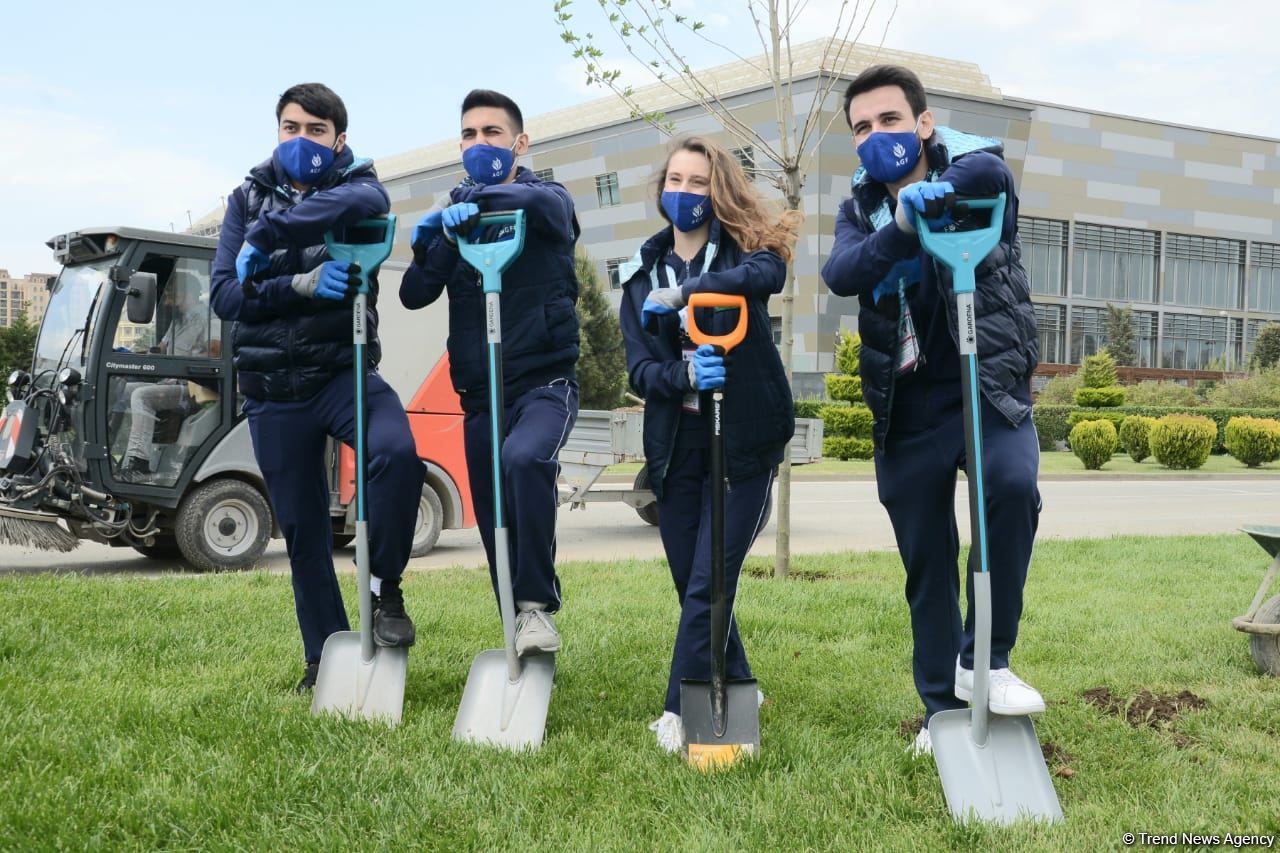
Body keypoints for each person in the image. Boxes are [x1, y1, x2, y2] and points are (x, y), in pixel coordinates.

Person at [820, 65, 1044, 757]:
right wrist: (900, 225)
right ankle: (941, 710)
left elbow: (993, 182)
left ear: (923, 123)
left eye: (889, 120)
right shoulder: (858, 211)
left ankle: (988, 662)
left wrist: (929, 195)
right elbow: (842, 273)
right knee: (927, 560)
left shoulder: (974, 167)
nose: (876, 136)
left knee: (1011, 490)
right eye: (862, 127)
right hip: (907, 407)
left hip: (986, 384)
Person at [210, 82, 421, 693]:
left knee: (397, 452)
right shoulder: (244, 199)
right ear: (277, 132)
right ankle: (323, 656)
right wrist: (297, 285)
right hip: (272, 388)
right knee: (303, 529)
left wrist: (266, 243)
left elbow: (362, 200)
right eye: (291, 128)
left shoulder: (358, 188)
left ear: (339, 140)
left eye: (316, 131)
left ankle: (385, 589)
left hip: (343, 372)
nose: (302, 140)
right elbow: (226, 296)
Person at [618, 136, 799, 752]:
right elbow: (640, 371)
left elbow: (767, 271)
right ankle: (741, 678)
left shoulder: (747, 252)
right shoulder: (641, 277)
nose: (685, 193)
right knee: (692, 579)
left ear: (716, 189)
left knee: (709, 579)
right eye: (676, 180)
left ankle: (681, 705)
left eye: (698, 183)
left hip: (744, 440)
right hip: (677, 447)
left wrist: (693, 293)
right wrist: (684, 374)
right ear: (661, 188)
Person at [400, 89, 579, 656]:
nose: (480, 144)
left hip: (543, 384)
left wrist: (472, 205)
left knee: (523, 460)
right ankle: (517, 629)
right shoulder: (456, 219)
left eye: (493, 133)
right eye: (470, 135)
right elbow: (413, 294)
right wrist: (431, 238)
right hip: (480, 395)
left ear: (520, 143)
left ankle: (537, 605)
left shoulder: (546, 197)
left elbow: (552, 213)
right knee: (493, 520)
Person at [118, 276, 212, 478]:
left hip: (193, 388)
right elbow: (159, 349)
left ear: (187, 294)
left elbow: (214, 352)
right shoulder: (177, 322)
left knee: (141, 396)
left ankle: (139, 461)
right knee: (121, 389)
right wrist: (129, 357)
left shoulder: (209, 319)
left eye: (172, 295)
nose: (169, 300)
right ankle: (114, 453)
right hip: (170, 382)